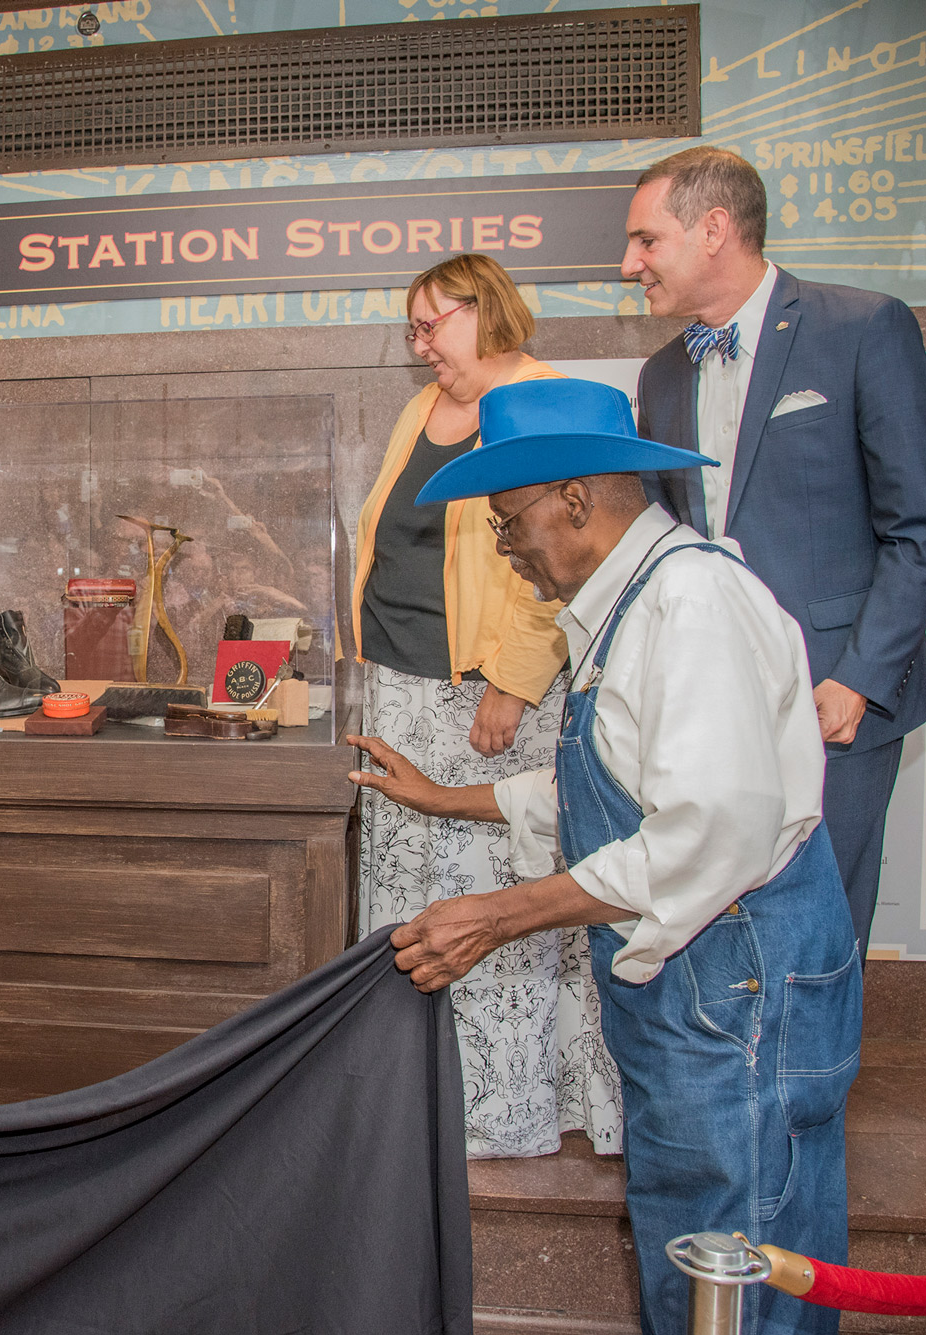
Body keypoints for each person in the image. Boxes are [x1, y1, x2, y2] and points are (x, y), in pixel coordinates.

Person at [350, 377, 861, 1335]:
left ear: (574, 501)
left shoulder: (693, 605)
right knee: (689, 1256)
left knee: (737, 1269)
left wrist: (502, 914)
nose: (508, 553)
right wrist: (442, 796)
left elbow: (706, 830)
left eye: (508, 526)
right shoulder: (632, 602)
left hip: (739, 993)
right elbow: (604, 789)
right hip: (694, 1000)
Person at [622, 146, 926, 947]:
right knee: (725, 925)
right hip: (710, 704)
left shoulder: (864, 328)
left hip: (832, 698)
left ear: (714, 228)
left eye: (645, 239)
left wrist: (860, 679)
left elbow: (922, 530)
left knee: (820, 925)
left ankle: (814, 1080)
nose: (629, 262)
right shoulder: (661, 376)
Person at [352, 253, 621, 1159]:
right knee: (408, 899)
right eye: (413, 330)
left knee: (493, 902)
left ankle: (498, 1112)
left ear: (486, 309)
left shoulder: (544, 399)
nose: (421, 345)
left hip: (492, 699)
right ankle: (409, 1092)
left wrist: (513, 676)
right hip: (401, 685)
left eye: (433, 324)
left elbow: (552, 559)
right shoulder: (419, 410)